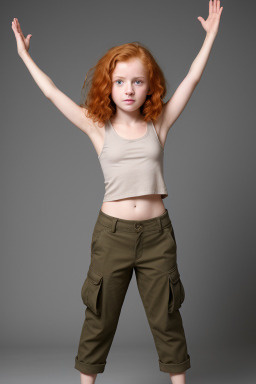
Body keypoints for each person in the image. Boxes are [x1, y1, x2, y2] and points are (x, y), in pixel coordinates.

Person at [11, 2, 223, 383]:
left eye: (138, 81)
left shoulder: (160, 122)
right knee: (100, 315)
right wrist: (24, 56)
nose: (129, 89)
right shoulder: (97, 127)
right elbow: (51, 93)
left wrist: (210, 37)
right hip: (112, 236)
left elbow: (191, 79)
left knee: (167, 316)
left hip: (158, 236)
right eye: (120, 81)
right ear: (108, 85)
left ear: (150, 87)